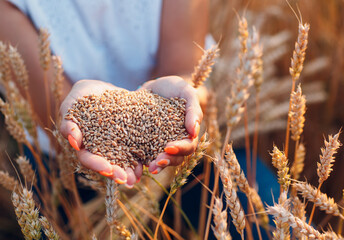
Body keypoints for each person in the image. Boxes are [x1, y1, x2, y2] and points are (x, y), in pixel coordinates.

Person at [0, 0, 208, 188]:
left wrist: (183, 98)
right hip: (62, 169)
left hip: (182, 166)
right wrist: (81, 121)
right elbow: (53, 111)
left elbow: (184, 69)